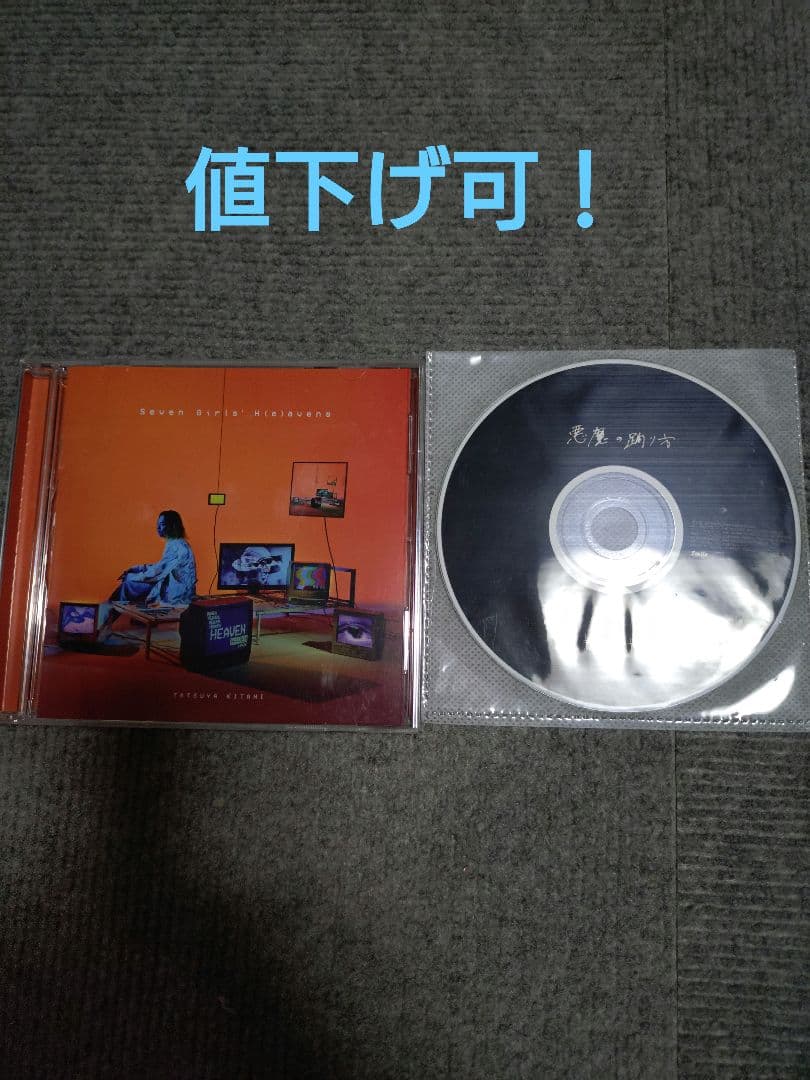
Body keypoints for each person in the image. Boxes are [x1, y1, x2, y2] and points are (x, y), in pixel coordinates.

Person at [111, 510, 197, 606]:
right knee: (130, 584)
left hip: (176, 596)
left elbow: (158, 572)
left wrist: (131, 577)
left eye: (162, 524)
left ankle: (108, 613)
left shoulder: (176, 546)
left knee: (126, 587)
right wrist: (138, 568)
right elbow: (162, 567)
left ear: (172, 526)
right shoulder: (179, 543)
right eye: (158, 524)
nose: (158, 528)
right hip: (177, 590)